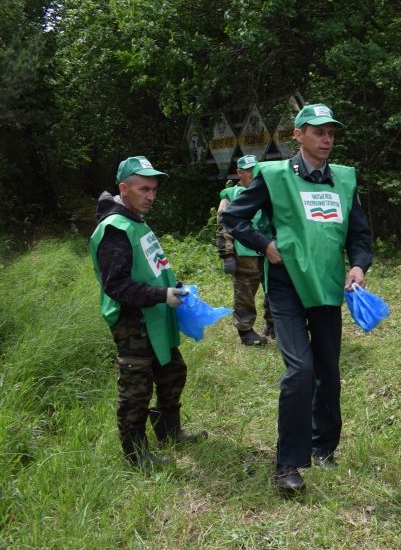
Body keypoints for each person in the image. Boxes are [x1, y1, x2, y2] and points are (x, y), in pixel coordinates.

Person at [222, 103, 373, 492]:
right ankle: (287, 464)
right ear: (298, 134)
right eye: (318, 131)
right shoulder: (273, 176)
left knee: (329, 372)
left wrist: (358, 266)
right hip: (288, 287)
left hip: (326, 288)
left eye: (331, 133)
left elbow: (360, 236)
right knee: (299, 371)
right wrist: (265, 244)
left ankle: (324, 447)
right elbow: (233, 218)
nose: (326, 139)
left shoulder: (343, 180)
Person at [90, 156, 207, 467]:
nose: (151, 196)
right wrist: (162, 294)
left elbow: (152, 266)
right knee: (136, 389)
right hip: (133, 322)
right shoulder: (116, 228)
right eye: (144, 189)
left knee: (172, 372)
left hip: (156, 316)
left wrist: (175, 286)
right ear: (124, 188)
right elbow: (117, 286)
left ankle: (170, 433)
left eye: (154, 189)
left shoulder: (137, 220)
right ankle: (136, 455)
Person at [216, 154, 274, 346]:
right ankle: (246, 331)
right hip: (244, 253)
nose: (252, 174)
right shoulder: (231, 195)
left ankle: (274, 325)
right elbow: (224, 225)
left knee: (274, 290)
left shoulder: (266, 190)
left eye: (254, 170)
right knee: (244, 294)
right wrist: (227, 254)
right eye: (248, 171)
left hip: (268, 251)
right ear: (239, 172)